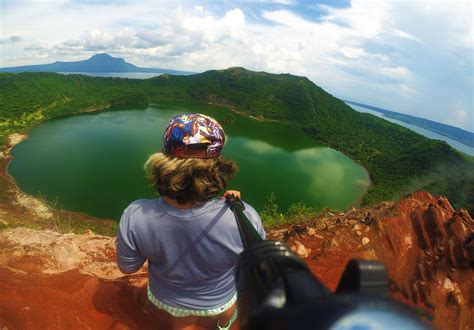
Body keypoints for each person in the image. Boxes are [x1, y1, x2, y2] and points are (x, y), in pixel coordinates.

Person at [116, 113, 265, 330]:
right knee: (225, 317)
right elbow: (255, 264)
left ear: (164, 160)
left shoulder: (135, 214)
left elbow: (128, 267)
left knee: (181, 324)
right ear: (218, 165)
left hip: (168, 300)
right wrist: (235, 209)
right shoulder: (244, 216)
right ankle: (223, 327)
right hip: (220, 300)